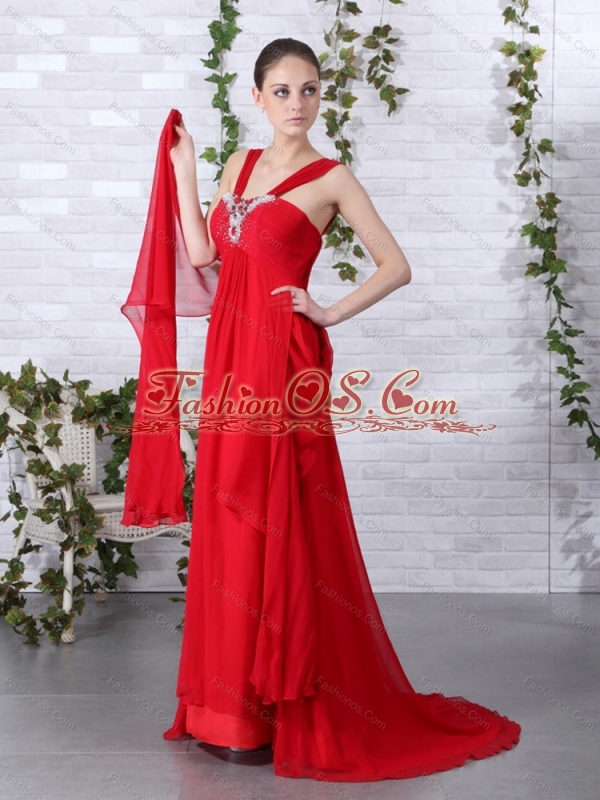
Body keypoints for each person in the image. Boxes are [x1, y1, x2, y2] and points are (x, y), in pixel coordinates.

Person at [162, 36, 520, 782]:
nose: (297, 103)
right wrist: (187, 170)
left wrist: (326, 312)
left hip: (282, 359)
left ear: (321, 97)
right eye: (282, 91)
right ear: (257, 98)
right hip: (230, 359)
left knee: (278, 513)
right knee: (231, 511)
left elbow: (396, 265)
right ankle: (228, 709)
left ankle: (277, 705)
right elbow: (202, 256)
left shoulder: (332, 178)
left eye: (310, 90)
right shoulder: (237, 166)